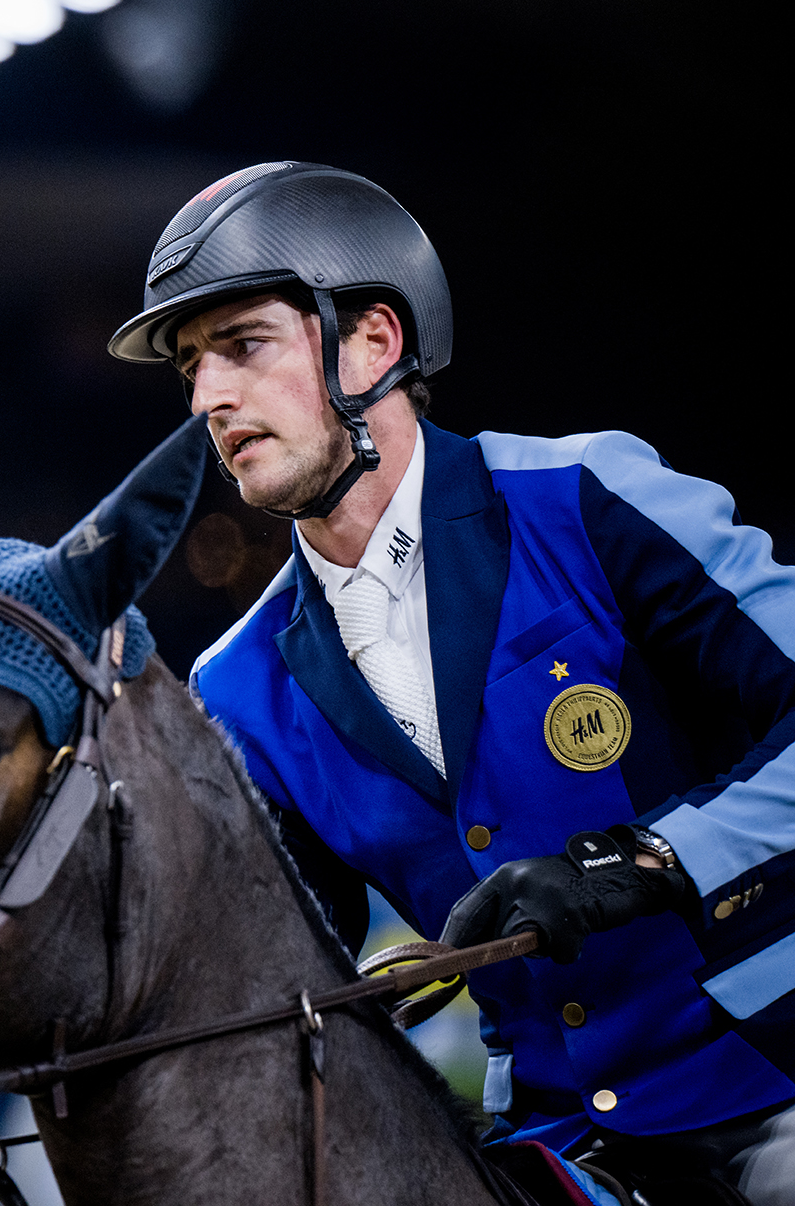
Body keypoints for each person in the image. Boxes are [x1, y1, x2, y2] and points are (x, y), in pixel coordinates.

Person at [108, 162, 794, 1203]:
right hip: (561, 1141)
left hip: (769, 1070)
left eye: (241, 346)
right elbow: (286, 975)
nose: (206, 397)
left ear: (372, 343)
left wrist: (653, 858)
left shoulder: (583, 494)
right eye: (192, 368)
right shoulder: (237, 685)